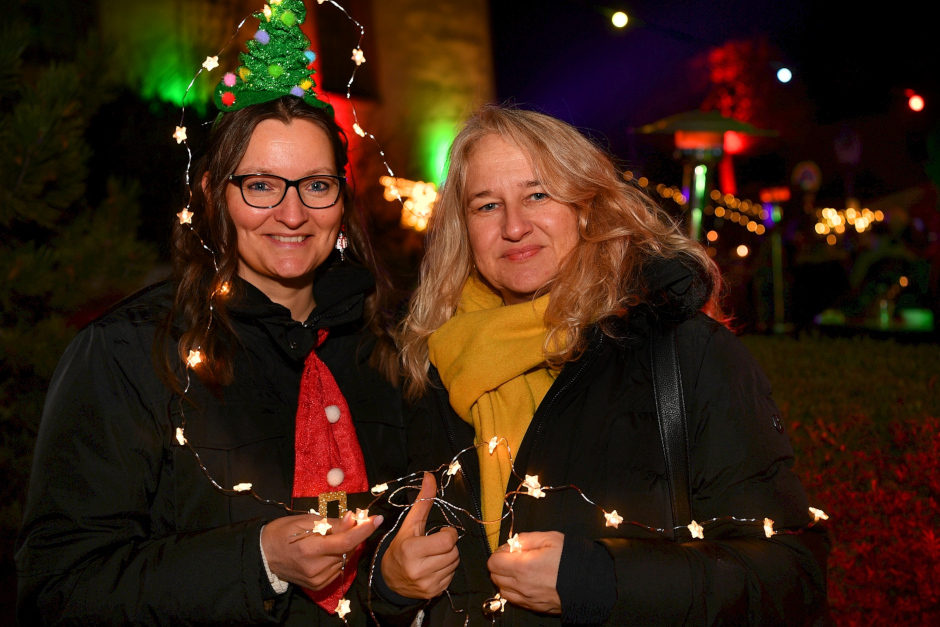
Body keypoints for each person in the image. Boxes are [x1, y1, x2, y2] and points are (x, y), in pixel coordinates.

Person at [16, 3, 406, 624]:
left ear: (341, 199)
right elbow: (61, 588)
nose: (292, 212)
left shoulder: (390, 346)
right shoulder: (128, 354)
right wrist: (258, 561)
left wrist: (397, 585)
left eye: (316, 184)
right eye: (259, 184)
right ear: (212, 198)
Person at [374, 106, 830, 625]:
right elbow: (390, 556)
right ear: (463, 228)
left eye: (538, 195)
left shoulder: (684, 352)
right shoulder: (430, 364)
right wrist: (391, 587)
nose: (514, 226)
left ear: (586, 208)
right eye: (486, 205)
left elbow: (791, 574)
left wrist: (602, 581)